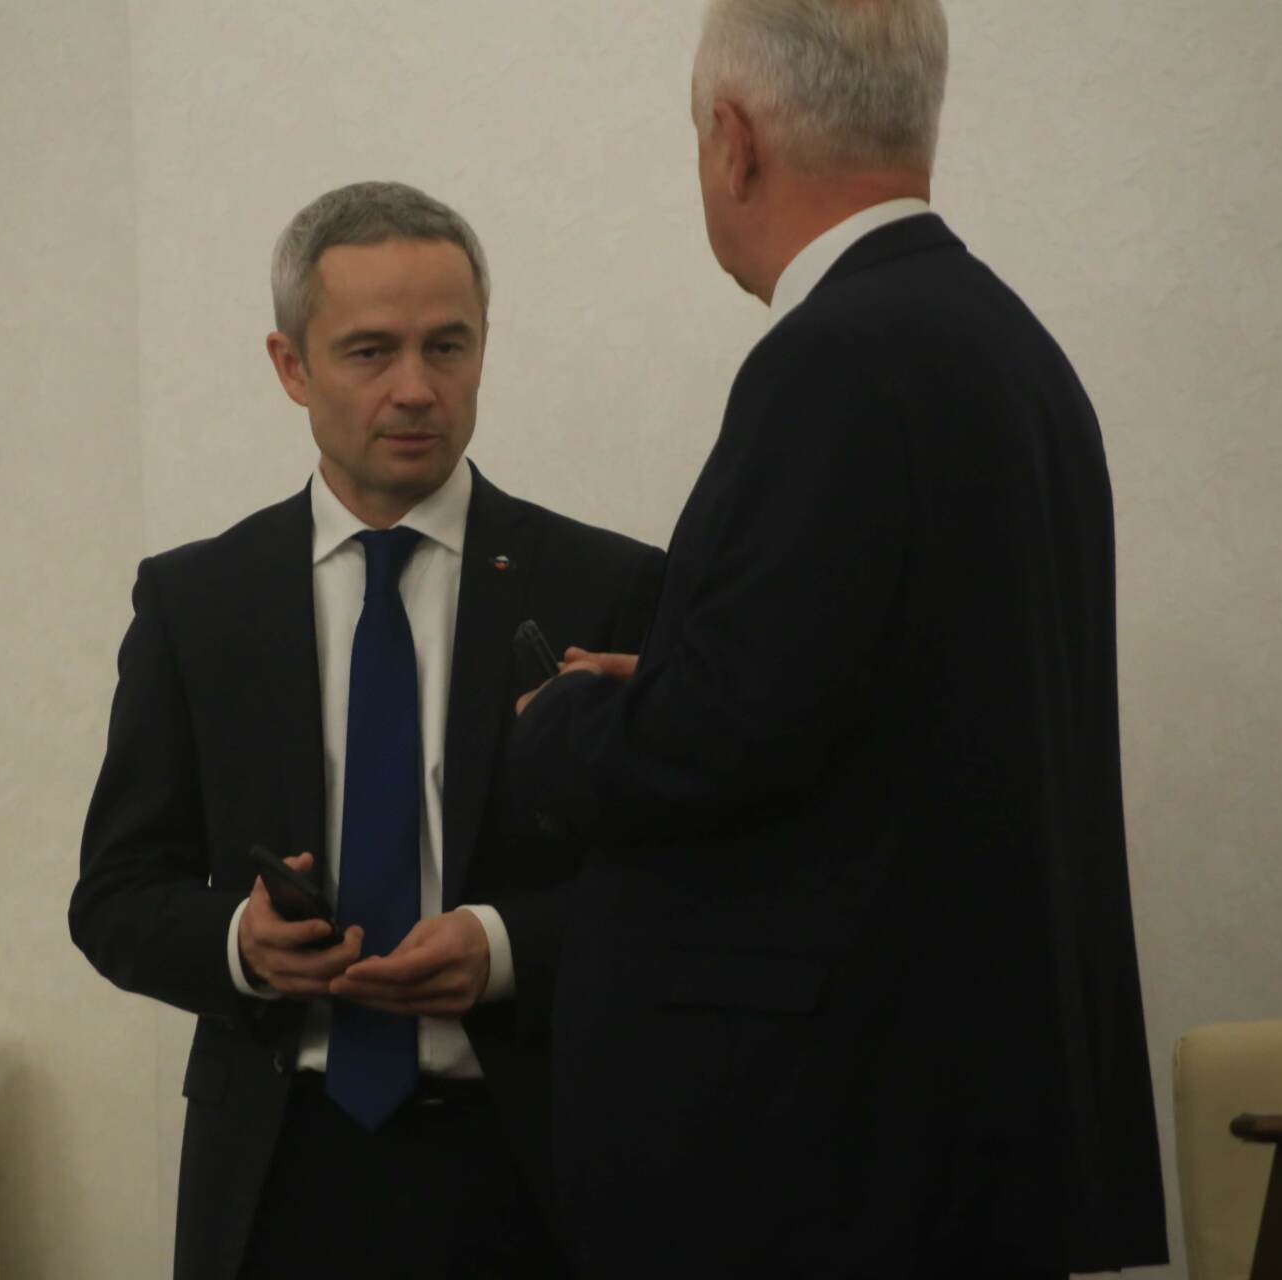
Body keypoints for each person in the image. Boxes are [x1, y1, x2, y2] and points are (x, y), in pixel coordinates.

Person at [509, 2, 1169, 1275]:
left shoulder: (832, 360)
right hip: (955, 1123)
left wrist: (562, 724)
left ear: (734, 138)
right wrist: (682, 680)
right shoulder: (1012, 349)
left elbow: (720, 736)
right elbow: (877, 695)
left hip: (822, 1150)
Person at [70, 180, 664, 1279]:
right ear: (290, 365)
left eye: (448, 346)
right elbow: (114, 895)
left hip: (537, 1165)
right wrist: (241, 944)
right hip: (279, 1170)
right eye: (370, 352)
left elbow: (681, 893)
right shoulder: (199, 604)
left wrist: (504, 950)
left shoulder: (609, 588)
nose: (416, 388)